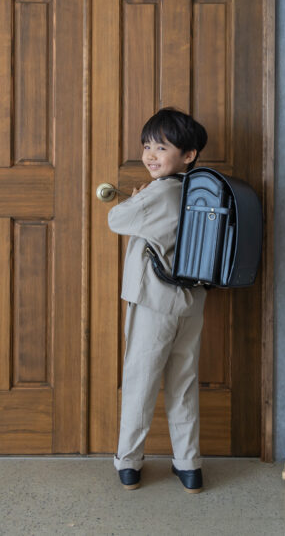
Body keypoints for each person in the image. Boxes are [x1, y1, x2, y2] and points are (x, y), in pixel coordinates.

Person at [108, 107, 209, 493]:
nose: (150, 154)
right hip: (192, 303)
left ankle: (130, 463)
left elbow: (116, 219)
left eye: (161, 147)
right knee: (183, 382)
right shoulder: (197, 191)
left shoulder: (160, 193)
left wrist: (141, 197)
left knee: (141, 380)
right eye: (146, 145)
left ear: (188, 155)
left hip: (154, 303)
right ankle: (189, 465)